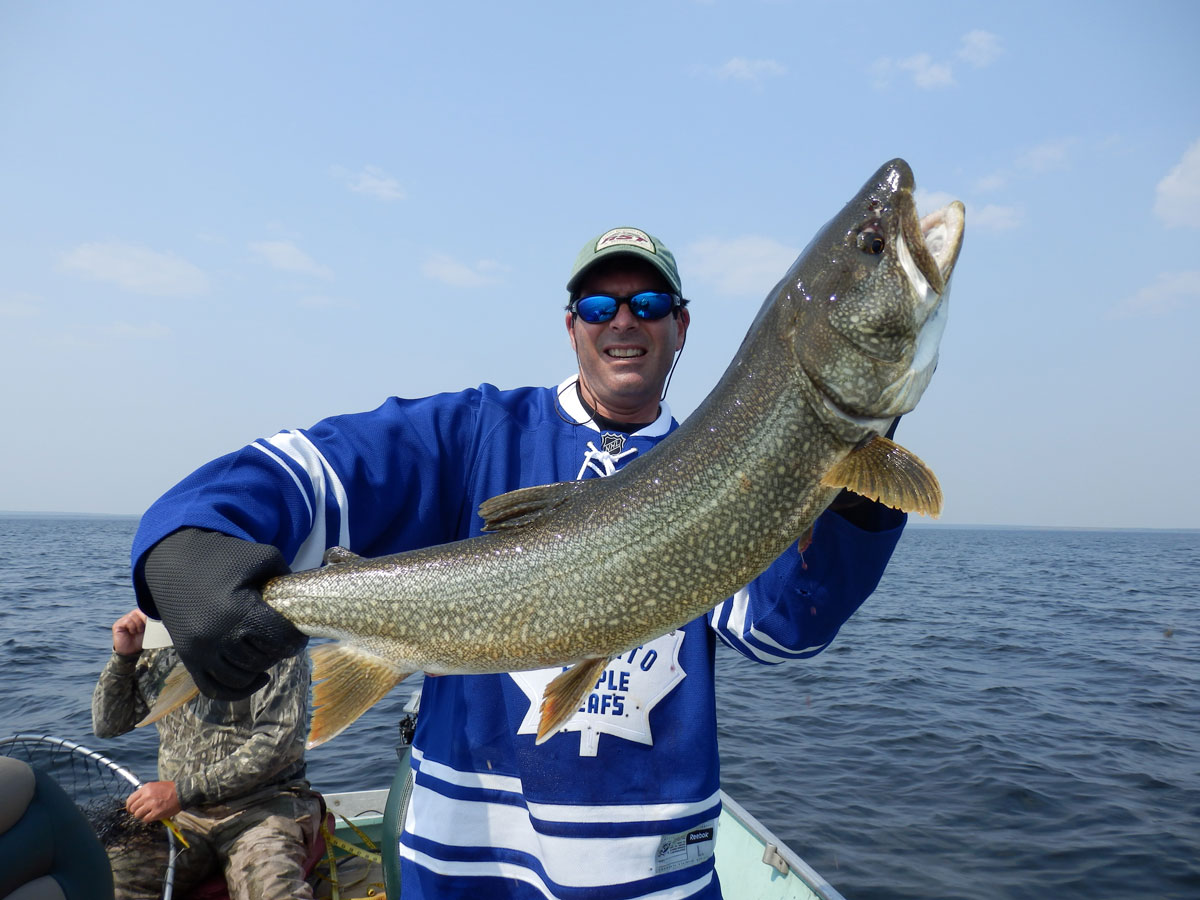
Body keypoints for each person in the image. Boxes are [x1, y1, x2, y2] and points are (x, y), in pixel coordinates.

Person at [129, 226, 907, 900]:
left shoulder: (729, 464)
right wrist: (193, 536)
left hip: (655, 878)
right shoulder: (476, 432)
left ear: (683, 325)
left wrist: (850, 489)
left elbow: (780, 631)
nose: (623, 322)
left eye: (650, 304)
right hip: (460, 869)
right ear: (572, 326)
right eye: (600, 306)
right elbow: (318, 467)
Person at [91, 608, 324, 900]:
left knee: (275, 892)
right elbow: (109, 724)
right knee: (109, 878)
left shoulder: (272, 637)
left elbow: (277, 745)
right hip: (182, 818)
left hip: (262, 809)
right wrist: (124, 657)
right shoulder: (161, 638)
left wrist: (182, 792)